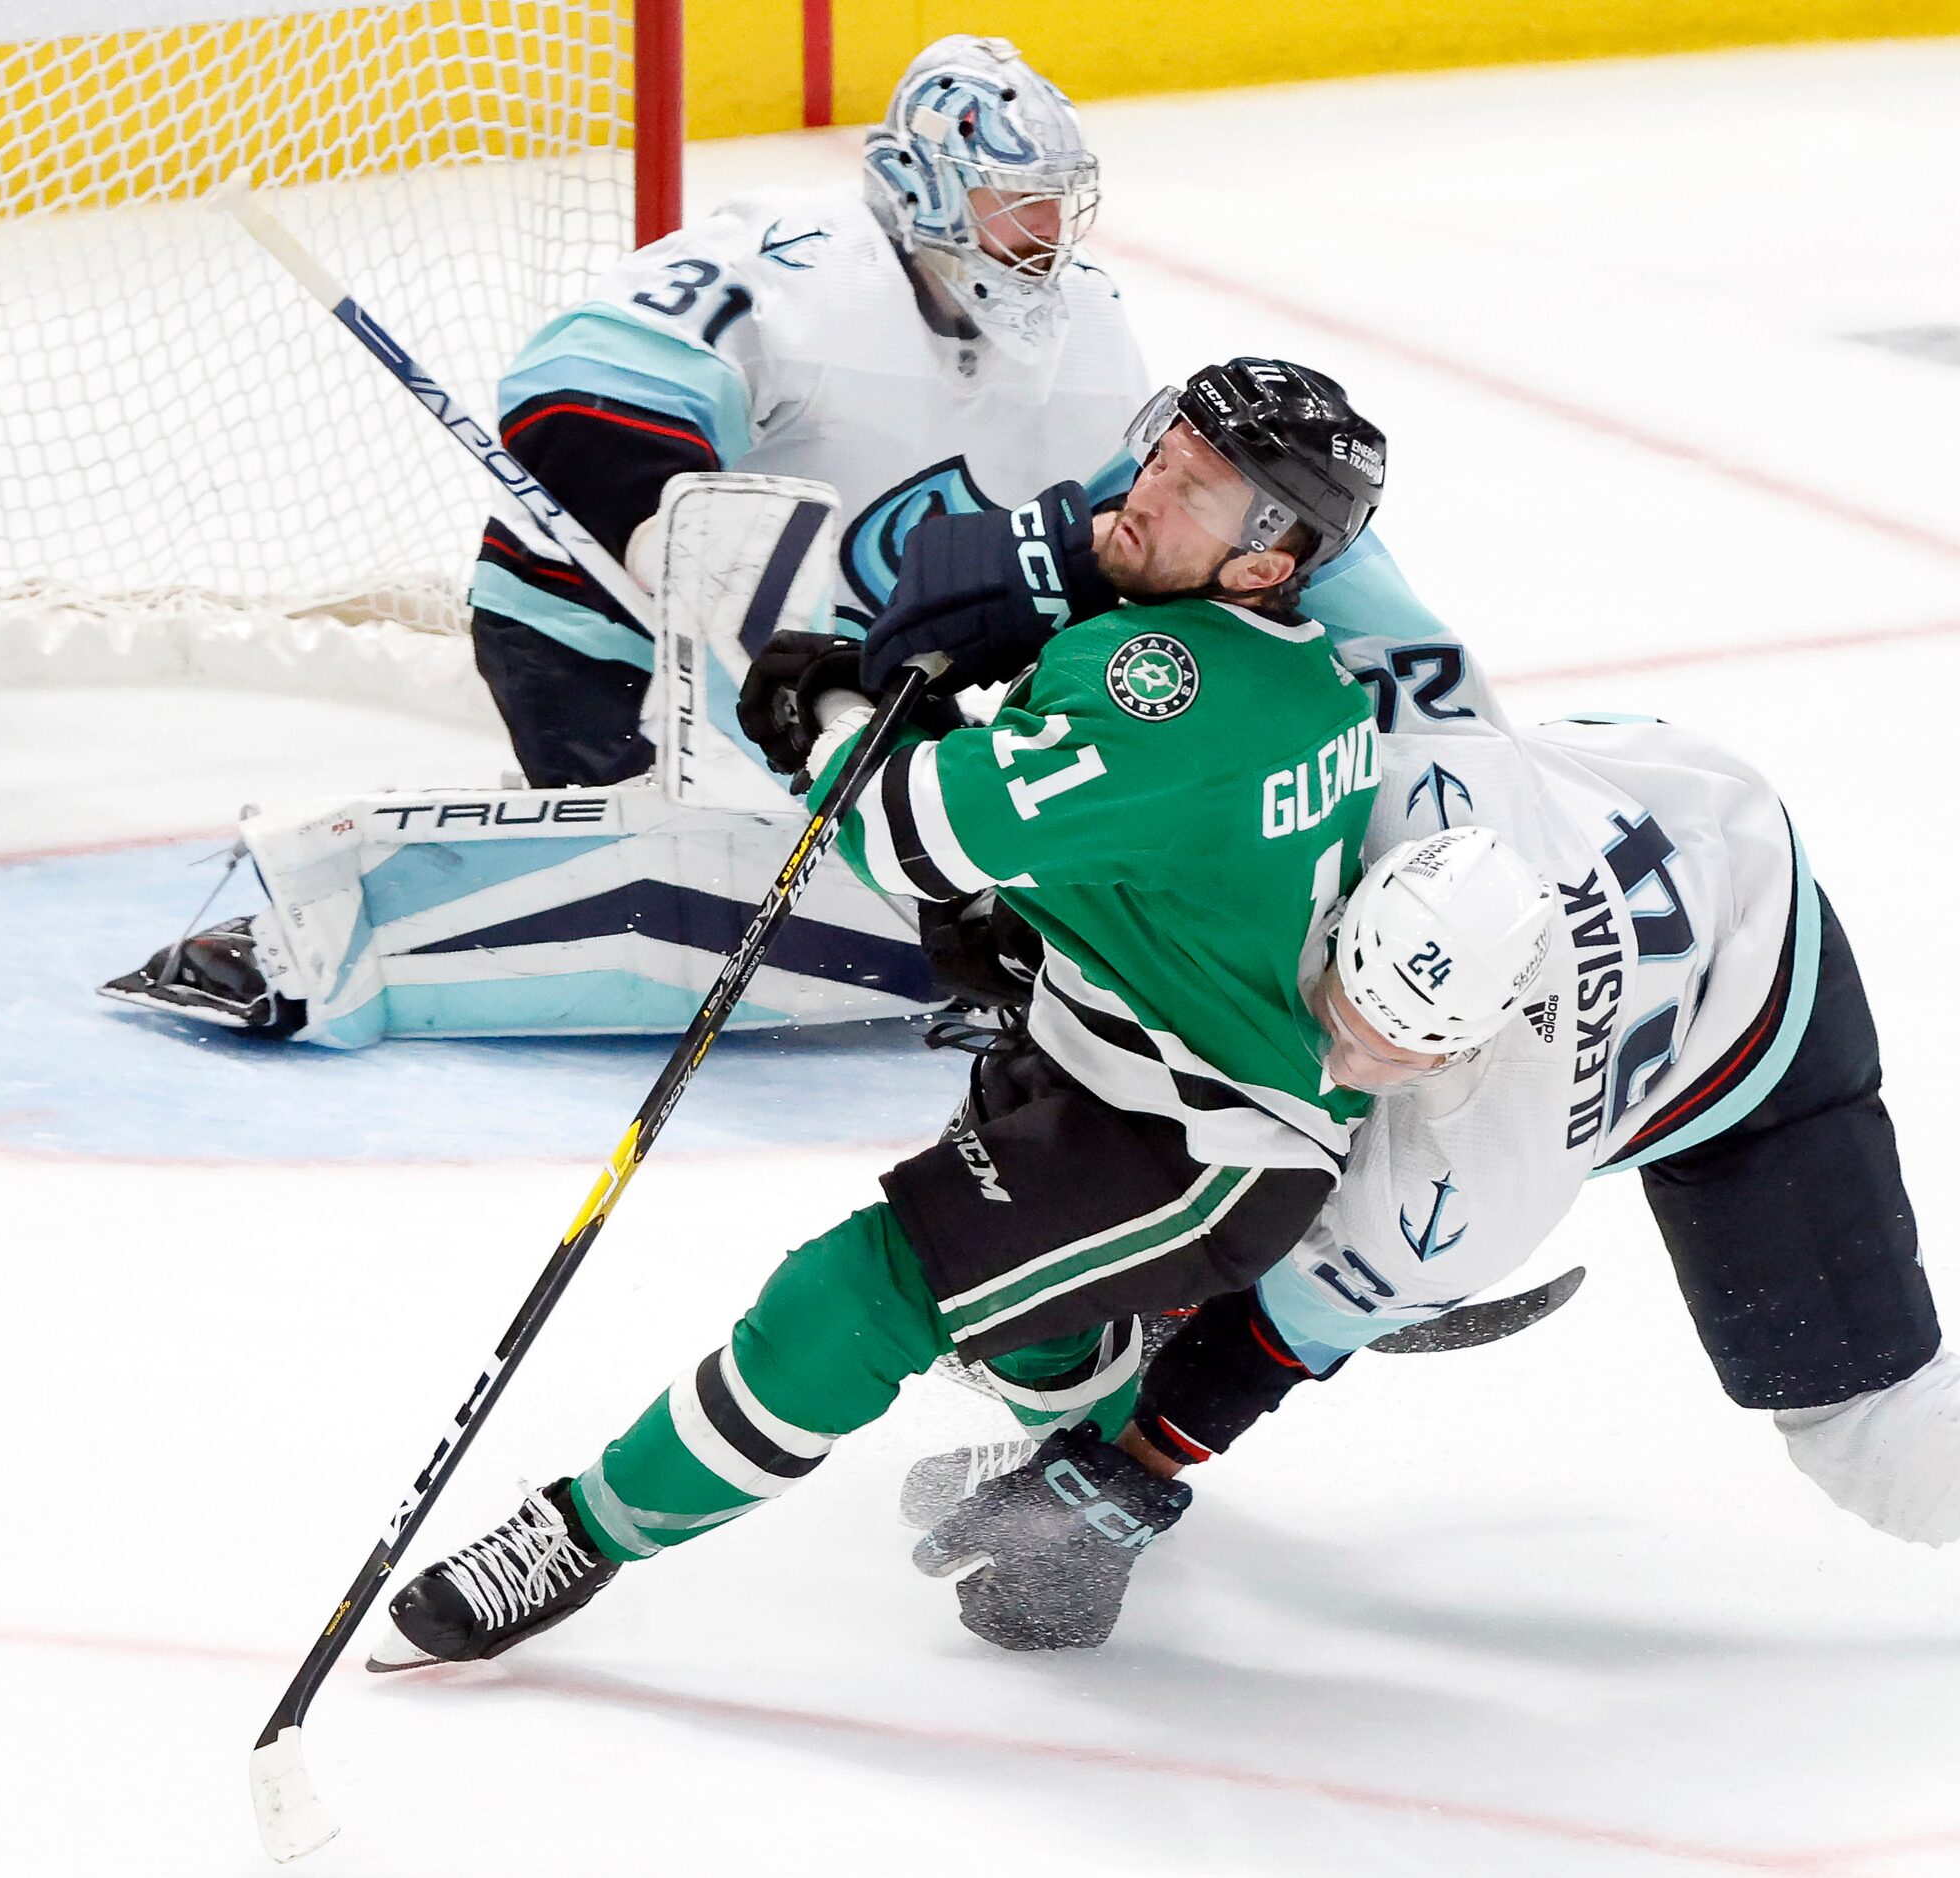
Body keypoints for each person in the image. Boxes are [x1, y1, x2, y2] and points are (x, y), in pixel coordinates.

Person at [903, 614, 1960, 1663]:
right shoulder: (1403, 775)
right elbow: (1287, 615)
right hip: (1681, 821)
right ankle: (1091, 1383)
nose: (1351, 1046)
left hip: (1753, 1041)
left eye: (1396, 1044)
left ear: (1469, 1038)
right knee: (1199, 1150)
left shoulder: (1476, 1174)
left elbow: (1264, 1353)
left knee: (1897, 1450)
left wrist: (1119, 1484)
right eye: (1346, 992)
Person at [360, 359, 1401, 1670]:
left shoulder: (1166, 687)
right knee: (1033, 1342)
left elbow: (900, 837)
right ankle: (1118, 1370)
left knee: (863, 1287)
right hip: (1121, 1054)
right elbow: (1126, 826)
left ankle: (578, 1533)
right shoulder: (1288, 671)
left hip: (1194, 1144)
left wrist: (827, 710)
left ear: (1260, 566)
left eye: (1193, 492)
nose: (1141, 498)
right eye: (1162, 458)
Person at [101, 34, 1147, 1040]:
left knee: (938, 885)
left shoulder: (1089, 330)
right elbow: (573, 403)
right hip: (599, 642)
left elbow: (1119, 540)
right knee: (733, 900)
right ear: (919, 186)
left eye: (1058, 200)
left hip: (838, 684)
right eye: (1013, 200)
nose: (1047, 228)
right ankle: (323, 925)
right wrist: (669, 551)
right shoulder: (786, 266)